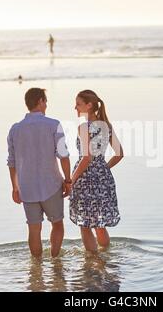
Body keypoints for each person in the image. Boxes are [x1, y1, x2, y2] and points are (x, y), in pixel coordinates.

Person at [7, 88, 71, 258]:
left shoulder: (15, 129)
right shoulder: (53, 124)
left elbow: (11, 162)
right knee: (57, 225)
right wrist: (68, 180)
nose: (46, 104)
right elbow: (64, 156)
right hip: (51, 185)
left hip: (26, 188)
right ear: (41, 101)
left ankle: (37, 269)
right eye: (46, 101)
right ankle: (55, 261)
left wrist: (15, 187)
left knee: (34, 229)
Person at [69, 90, 124, 252]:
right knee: (99, 224)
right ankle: (105, 258)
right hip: (103, 178)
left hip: (85, 179)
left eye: (78, 104)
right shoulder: (106, 126)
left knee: (85, 225)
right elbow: (120, 153)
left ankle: (93, 262)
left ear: (89, 105)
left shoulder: (84, 127)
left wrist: (71, 180)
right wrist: (103, 168)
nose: (75, 108)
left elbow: (86, 158)